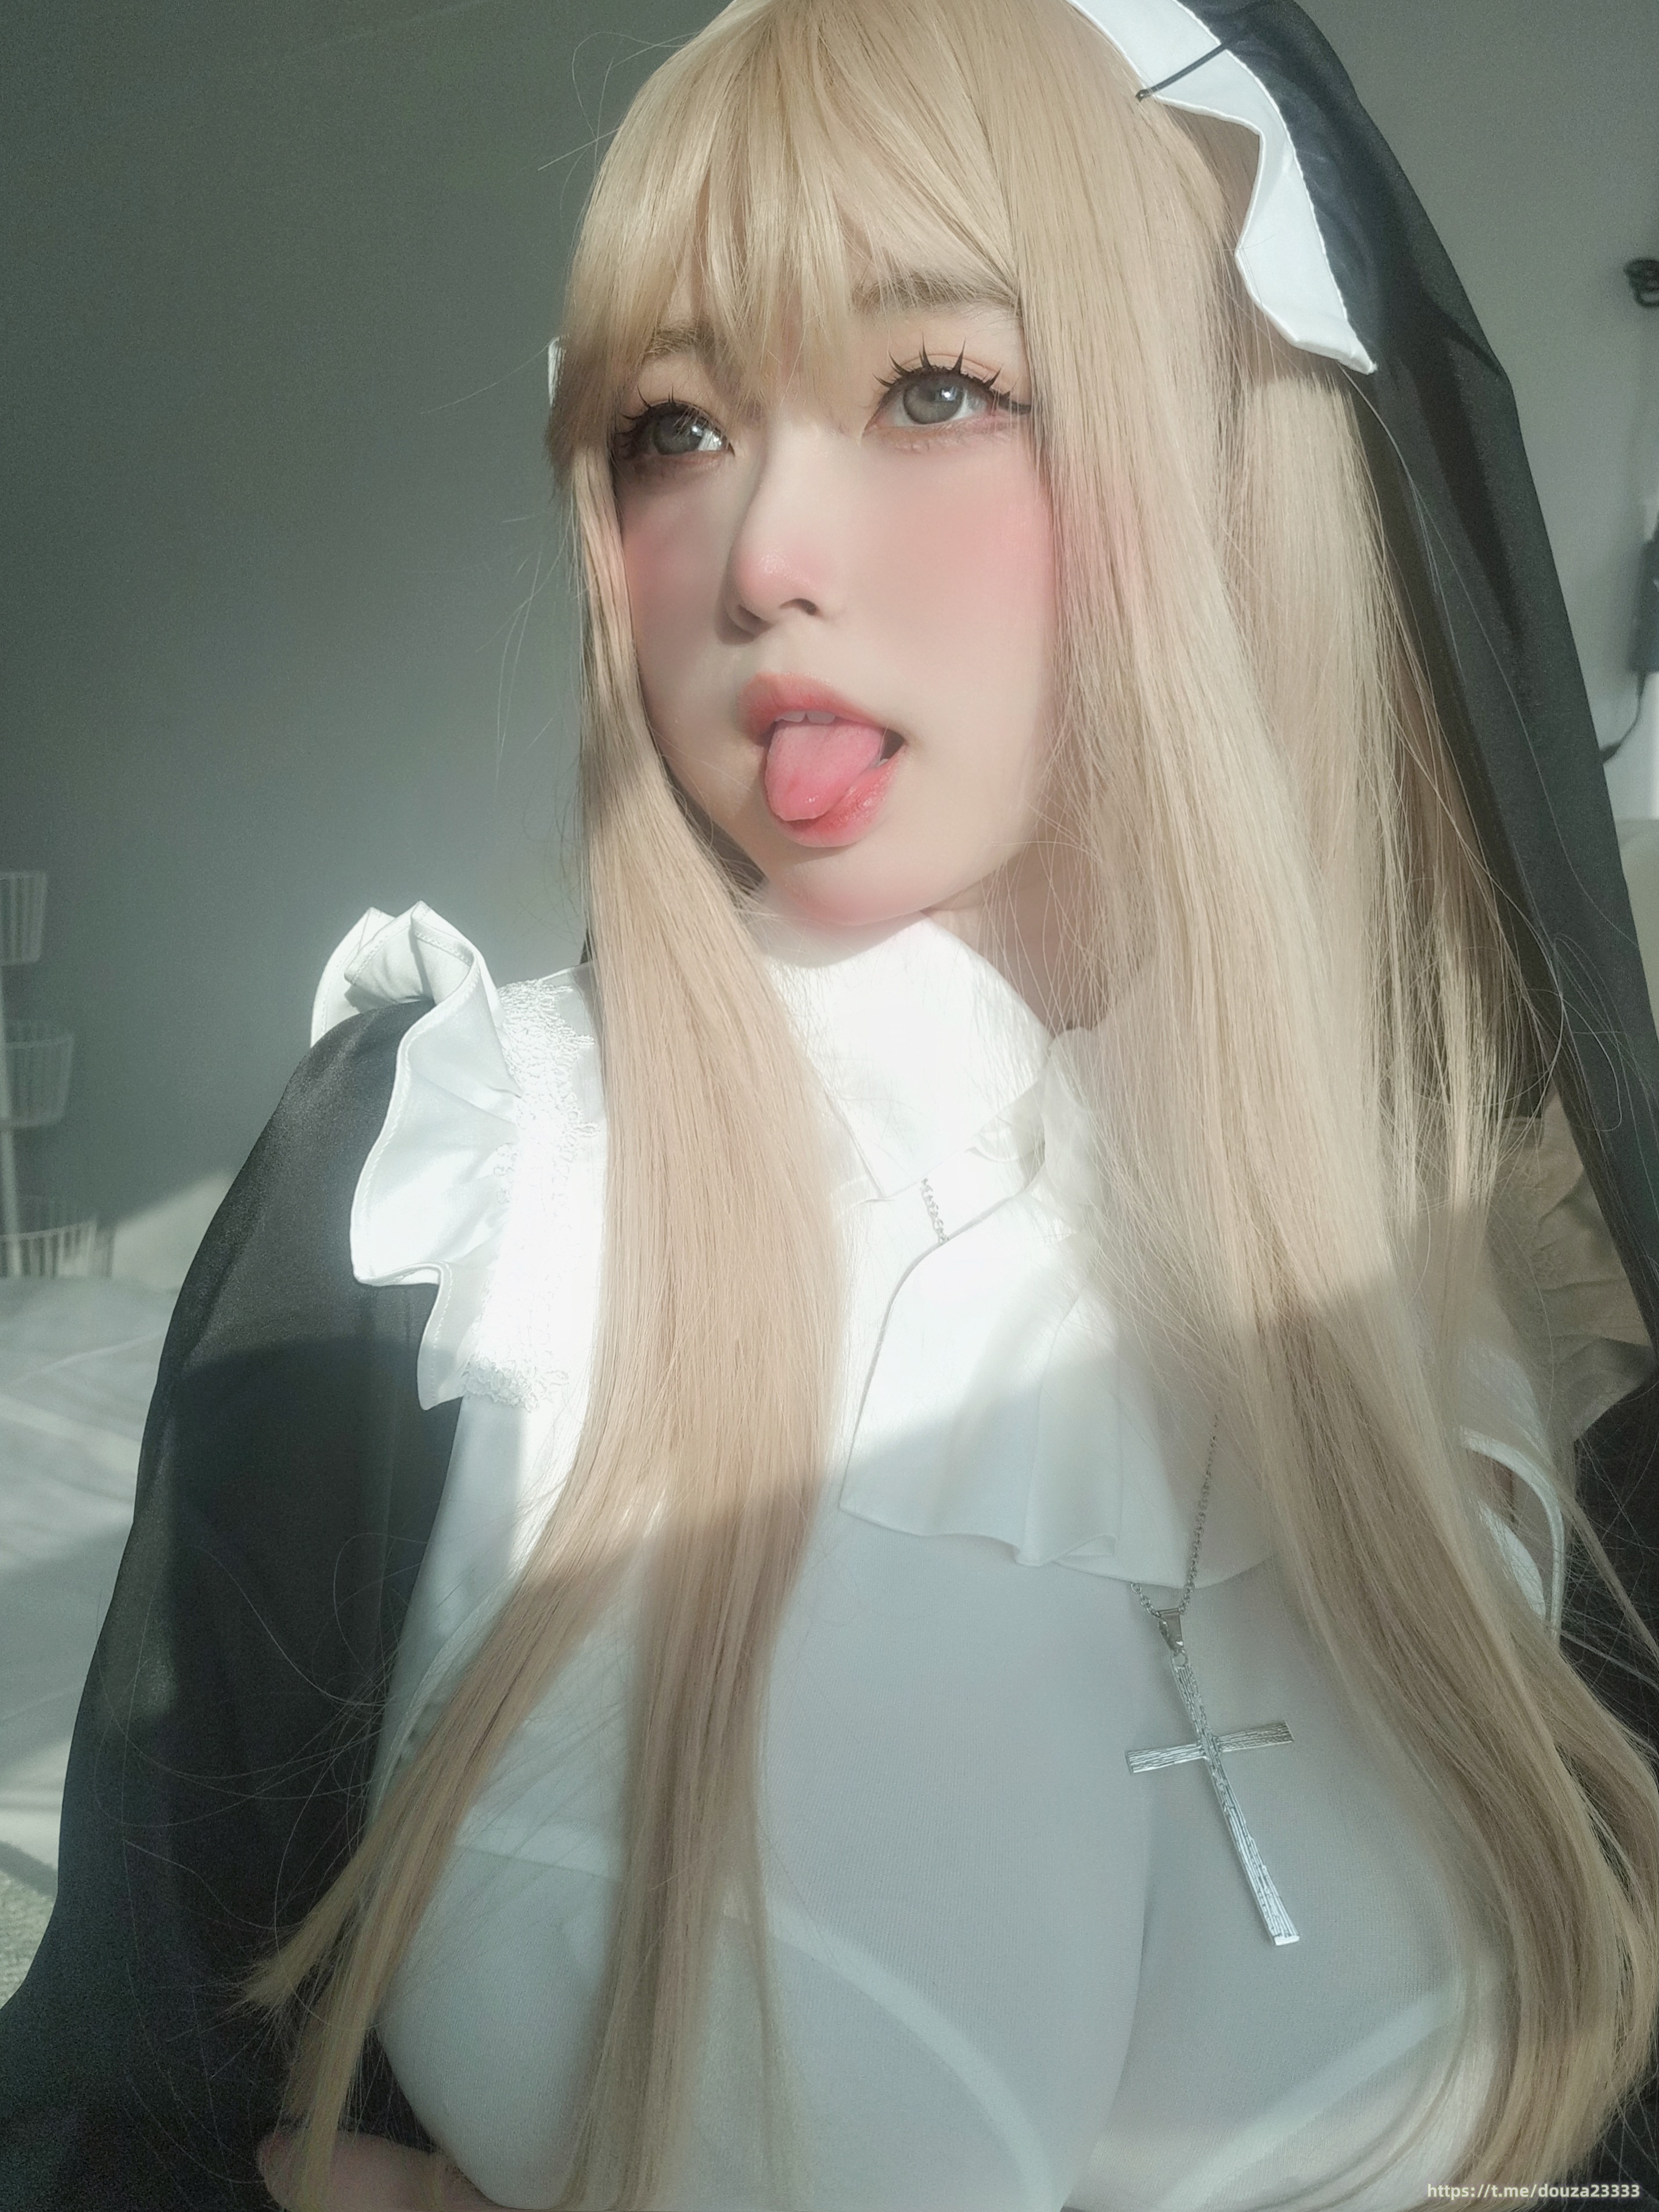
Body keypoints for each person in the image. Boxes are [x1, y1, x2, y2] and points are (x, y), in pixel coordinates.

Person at [6, 0, 1659, 2206]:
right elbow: (114, 2110)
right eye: (670, 427)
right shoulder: (446, 1192)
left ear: (1223, 445)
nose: (760, 548)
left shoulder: (1470, 1283)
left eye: (937, 386)